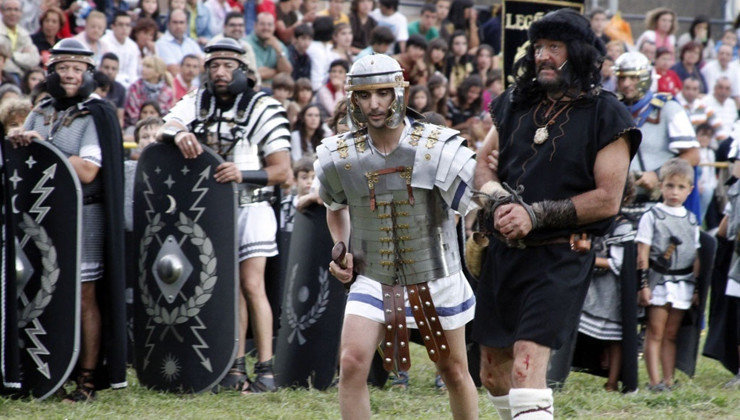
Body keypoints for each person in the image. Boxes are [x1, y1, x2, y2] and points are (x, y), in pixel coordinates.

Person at [473, 9, 639, 419]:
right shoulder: (515, 102)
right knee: (493, 373)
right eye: (539, 47)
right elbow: (481, 165)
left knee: (527, 366)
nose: (543, 56)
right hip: (503, 252)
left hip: (560, 254)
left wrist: (534, 214)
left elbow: (607, 199)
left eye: (555, 47)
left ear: (579, 52)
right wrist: (497, 201)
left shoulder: (607, 114)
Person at [316, 52, 478, 420]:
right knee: (352, 362)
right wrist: (341, 249)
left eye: (383, 93)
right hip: (373, 274)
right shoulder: (340, 155)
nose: (374, 104)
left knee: (454, 371)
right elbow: (334, 204)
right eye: (365, 95)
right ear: (353, 99)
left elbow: (473, 202)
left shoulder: (437, 146)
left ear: (398, 93)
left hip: (436, 272)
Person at [157, 37, 291, 394]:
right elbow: (164, 126)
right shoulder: (197, 101)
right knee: (227, 288)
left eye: (227, 65)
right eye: (214, 65)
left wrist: (242, 173)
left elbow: (283, 171)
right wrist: (180, 133)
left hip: (252, 205)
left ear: (242, 70)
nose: (219, 72)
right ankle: (234, 367)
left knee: (251, 284)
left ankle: (266, 368)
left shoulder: (263, 106)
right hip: (212, 211)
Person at [8, 38, 127, 401]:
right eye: (64, 68)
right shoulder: (40, 110)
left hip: (84, 216)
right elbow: (23, 159)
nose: (71, 75)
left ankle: (87, 379)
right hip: (42, 217)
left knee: (84, 295)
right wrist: (18, 141)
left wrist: (41, 149)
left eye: (78, 69)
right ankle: (46, 371)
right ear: (52, 72)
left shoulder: (96, 114)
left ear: (88, 73)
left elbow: (88, 169)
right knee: (42, 291)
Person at [636, 158, 700, 392]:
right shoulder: (652, 216)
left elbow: (695, 258)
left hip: (682, 283)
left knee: (671, 334)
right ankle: (654, 382)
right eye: (670, 186)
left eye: (681, 187)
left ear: (689, 190)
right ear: (661, 186)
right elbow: (642, 253)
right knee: (655, 332)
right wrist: (643, 284)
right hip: (658, 282)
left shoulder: (692, 220)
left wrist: (696, 288)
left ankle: (668, 380)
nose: (675, 192)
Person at [614, 52, 700, 213]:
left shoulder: (668, 108)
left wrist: (657, 175)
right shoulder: (612, 110)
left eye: (633, 78)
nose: (626, 84)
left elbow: (693, 155)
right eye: (622, 78)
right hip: (619, 202)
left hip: (658, 202)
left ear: (645, 78)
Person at [577, 175, 636, 392]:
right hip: (591, 289)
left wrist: (589, 257)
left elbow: (620, 263)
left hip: (612, 292)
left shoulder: (622, 227)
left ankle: (612, 381)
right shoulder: (594, 221)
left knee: (614, 338)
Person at [124, 56, 175, 129]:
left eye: (148, 67)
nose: (143, 69)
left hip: (160, 128)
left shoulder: (167, 91)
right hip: (136, 127)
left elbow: (167, 116)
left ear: (158, 72)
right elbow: (132, 114)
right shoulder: (135, 88)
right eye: (143, 66)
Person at [247, 12, 292, 88]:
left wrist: (278, 50)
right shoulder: (246, 44)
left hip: (276, 92)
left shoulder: (279, 45)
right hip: (253, 89)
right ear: (255, 25)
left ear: (274, 27)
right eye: (262, 24)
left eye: (269, 25)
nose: (266, 28)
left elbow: (287, 73)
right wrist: (279, 71)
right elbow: (257, 74)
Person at [0, 0, 41, 83]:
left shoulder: (24, 34)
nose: (13, 13)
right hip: (5, 75)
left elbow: (34, 60)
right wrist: (22, 56)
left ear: (21, 13)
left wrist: (11, 55)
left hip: (23, 76)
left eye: (16, 10)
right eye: (9, 9)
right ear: (2, 11)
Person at [155, 9, 204, 76]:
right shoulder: (161, 44)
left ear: (186, 25)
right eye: (175, 22)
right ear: (168, 24)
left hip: (196, 86)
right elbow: (173, 70)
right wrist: (195, 66)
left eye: (181, 22)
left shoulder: (191, 43)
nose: (178, 26)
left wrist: (183, 67)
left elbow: (204, 65)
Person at [102, 11, 139, 89]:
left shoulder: (133, 46)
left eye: (127, 25)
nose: (124, 28)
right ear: (113, 26)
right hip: (107, 84)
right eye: (121, 25)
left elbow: (132, 73)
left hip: (127, 85)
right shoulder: (104, 42)